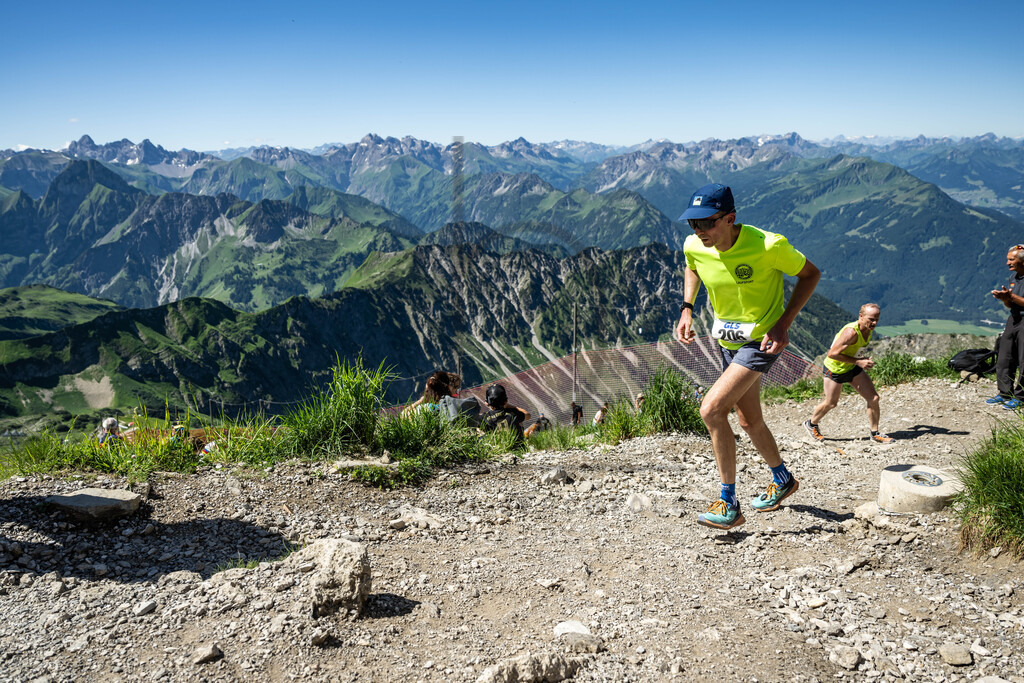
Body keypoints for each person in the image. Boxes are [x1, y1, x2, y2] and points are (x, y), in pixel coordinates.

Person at [674, 183, 820, 530]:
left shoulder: (769, 246)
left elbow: (810, 274)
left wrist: (784, 324)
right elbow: (692, 265)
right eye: (692, 224)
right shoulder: (695, 244)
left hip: (760, 341)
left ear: (730, 218)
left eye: (706, 223)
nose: (699, 231)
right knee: (748, 420)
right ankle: (782, 479)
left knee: (711, 410)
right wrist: (686, 308)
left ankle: (728, 503)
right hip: (726, 342)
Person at [803, 304, 894, 444]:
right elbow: (832, 354)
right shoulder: (851, 332)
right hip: (835, 369)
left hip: (851, 367)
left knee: (874, 398)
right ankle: (811, 424)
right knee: (831, 403)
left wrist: (861, 360)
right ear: (861, 316)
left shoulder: (868, 329)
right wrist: (858, 362)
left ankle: (875, 433)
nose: (874, 323)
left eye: (877, 319)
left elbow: (853, 349)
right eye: (871, 319)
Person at [987, 245, 1024, 410]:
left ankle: (1021, 396)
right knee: (1005, 356)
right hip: (1014, 318)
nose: (1007, 262)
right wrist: (1005, 299)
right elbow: (1011, 303)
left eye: (1011, 259)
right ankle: (1004, 393)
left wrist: (1011, 296)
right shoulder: (1014, 277)